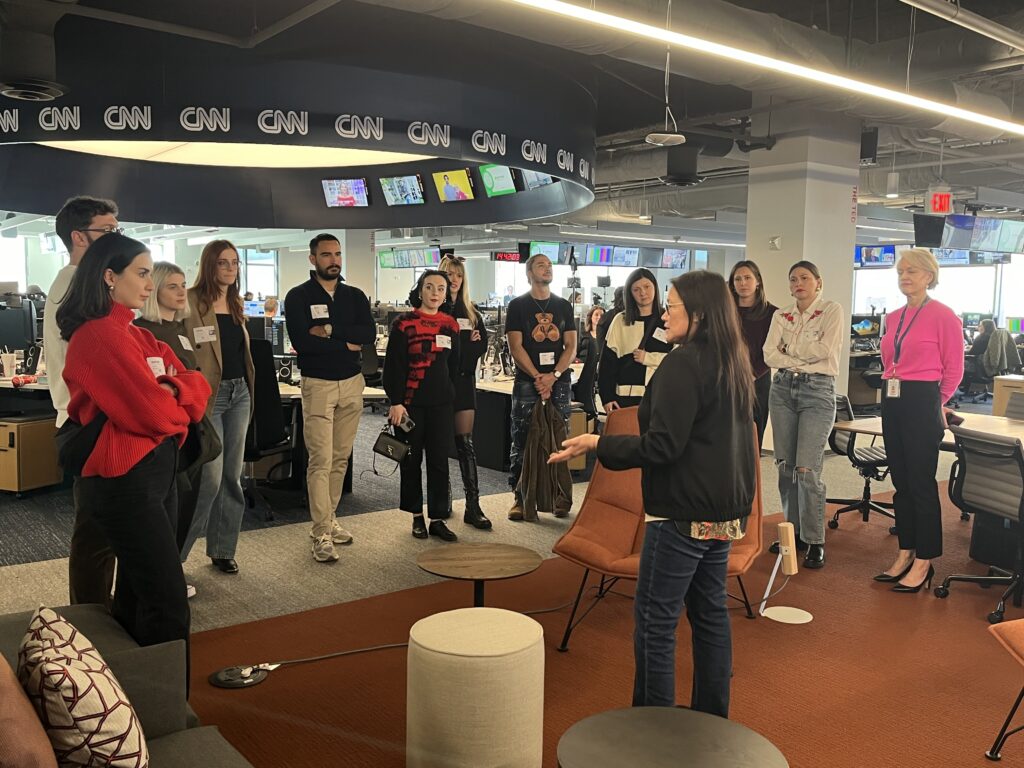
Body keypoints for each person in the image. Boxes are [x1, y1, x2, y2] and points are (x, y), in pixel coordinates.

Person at [549, 270, 756, 715]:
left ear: (698, 313)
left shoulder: (684, 362)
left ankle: (652, 734)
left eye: (673, 305)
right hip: (724, 512)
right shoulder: (732, 358)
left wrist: (598, 443)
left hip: (683, 512)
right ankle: (710, 719)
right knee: (710, 616)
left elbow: (664, 444)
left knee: (655, 622)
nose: (665, 312)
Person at [57, 233, 210, 652]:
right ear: (109, 276)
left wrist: (173, 393)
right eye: (141, 273)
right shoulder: (98, 336)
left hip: (158, 469)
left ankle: (138, 696)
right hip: (126, 477)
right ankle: (167, 710)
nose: (149, 283)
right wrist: (175, 399)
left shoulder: (138, 336)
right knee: (166, 600)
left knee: (138, 596)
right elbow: (153, 413)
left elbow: (197, 384)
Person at [45, 195, 120, 606]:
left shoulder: (76, 282)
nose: (115, 238)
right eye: (106, 231)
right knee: (95, 532)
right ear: (78, 236)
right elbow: (97, 357)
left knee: (102, 529)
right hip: (87, 421)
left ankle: (95, 611)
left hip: (87, 419)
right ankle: (89, 619)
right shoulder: (76, 285)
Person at [876, 248, 964, 592]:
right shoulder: (893, 317)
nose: (904, 277)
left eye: (911, 271)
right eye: (900, 272)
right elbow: (889, 361)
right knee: (901, 482)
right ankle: (905, 551)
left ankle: (926, 559)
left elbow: (954, 370)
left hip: (923, 401)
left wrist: (934, 404)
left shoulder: (944, 316)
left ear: (929, 275)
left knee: (921, 484)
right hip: (892, 397)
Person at [284, 233, 375, 562]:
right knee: (320, 460)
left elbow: (367, 335)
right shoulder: (297, 297)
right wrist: (346, 342)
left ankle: (330, 519)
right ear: (313, 259)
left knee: (340, 458)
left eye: (337, 254)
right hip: (319, 384)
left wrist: (331, 331)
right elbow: (303, 344)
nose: (333, 260)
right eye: (326, 255)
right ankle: (321, 531)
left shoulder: (354, 295)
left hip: (352, 383)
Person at [763, 261, 844, 570]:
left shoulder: (831, 310)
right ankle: (793, 532)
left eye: (805, 278)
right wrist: (795, 353)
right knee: (785, 467)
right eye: (793, 278)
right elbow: (769, 354)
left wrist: (791, 349)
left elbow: (825, 349)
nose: (799, 283)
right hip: (782, 388)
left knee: (807, 470)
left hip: (817, 391)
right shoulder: (780, 315)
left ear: (818, 283)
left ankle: (814, 539)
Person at [181, 240, 255, 575]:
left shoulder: (236, 302)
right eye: (222, 263)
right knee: (208, 479)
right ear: (209, 265)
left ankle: (223, 549)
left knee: (231, 476)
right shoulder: (193, 300)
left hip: (240, 393)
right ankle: (176, 556)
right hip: (210, 395)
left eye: (234, 263)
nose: (229, 269)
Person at [134, 261, 205, 597]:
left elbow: (192, 379)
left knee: (185, 501)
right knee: (166, 508)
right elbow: (162, 387)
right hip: (165, 432)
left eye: (183, 285)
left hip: (188, 426)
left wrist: (186, 388)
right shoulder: (144, 333)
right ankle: (166, 575)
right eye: (172, 286)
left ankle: (171, 570)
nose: (181, 292)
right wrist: (184, 388)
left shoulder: (178, 330)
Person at [383, 270, 461, 541]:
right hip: (410, 406)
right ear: (420, 290)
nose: (435, 293)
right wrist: (395, 402)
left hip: (441, 404)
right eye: (429, 287)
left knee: (439, 461)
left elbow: (455, 366)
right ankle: (416, 516)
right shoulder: (403, 324)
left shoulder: (451, 325)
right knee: (410, 460)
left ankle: (438, 518)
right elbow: (393, 367)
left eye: (441, 288)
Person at [504, 253, 577, 520]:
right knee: (522, 439)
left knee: (560, 439)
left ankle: (561, 496)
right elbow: (516, 346)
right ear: (529, 272)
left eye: (549, 265)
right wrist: (538, 376)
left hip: (558, 382)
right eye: (540, 265)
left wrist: (553, 376)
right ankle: (521, 499)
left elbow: (571, 346)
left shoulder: (563, 306)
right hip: (527, 382)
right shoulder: (518, 305)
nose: (546, 269)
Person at [439, 254, 492, 530]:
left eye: (458, 275)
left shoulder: (472, 314)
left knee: (465, 444)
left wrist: (463, 347)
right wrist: (464, 346)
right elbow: (441, 353)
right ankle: (443, 500)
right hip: (439, 384)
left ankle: (473, 505)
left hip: (463, 383)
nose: (454, 280)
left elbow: (476, 351)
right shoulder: (435, 312)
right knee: (439, 444)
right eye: (449, 274)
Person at [598, 268, 672, 411]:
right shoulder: (621, 320)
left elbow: (678, 359)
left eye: (647, 287)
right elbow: (607, 363)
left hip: (660, 396)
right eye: (636, 289)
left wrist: (648, 358)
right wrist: (607, 397)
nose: (643, 293)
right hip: (625, 400)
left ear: (655, 287)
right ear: (630, 293)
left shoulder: (667, 319)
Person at [729, 260, 778, 451]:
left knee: (752, 441)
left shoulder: (773, 313)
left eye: (748, 278)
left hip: (757, 381)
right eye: (737, 279)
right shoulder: (724, 312)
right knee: (727, 439)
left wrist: (752, 374)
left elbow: (772, 350)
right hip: (727, 379)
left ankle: (751, 481)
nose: (743, 283)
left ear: (758, 281)